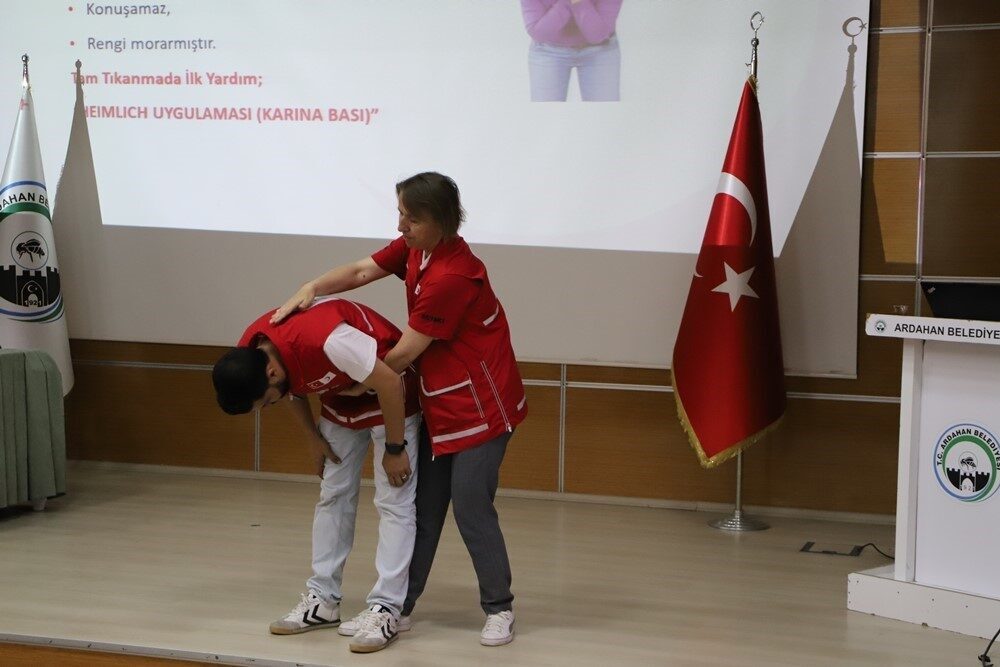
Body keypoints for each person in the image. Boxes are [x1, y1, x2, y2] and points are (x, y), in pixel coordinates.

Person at [270, 172, 527, 646]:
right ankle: (397, 607)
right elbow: (361, 272)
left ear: (441, 221)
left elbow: (405, 353)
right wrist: (313, 287)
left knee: (470, 505)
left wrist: (361, 384)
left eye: (412, 218)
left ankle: (499, 607)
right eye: (400, 214)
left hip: (482, 406)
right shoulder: (418, 249)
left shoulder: (453, 276)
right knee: (423, 507)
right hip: (441, 403)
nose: (401, 226)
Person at [212, 297, 421, 654]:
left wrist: (395, 448)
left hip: (390, 394)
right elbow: (291, 389)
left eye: (267, 402)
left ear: (271, 374)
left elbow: (388, 382)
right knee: (333, 494)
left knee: (393, 501)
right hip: (341, 398)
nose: (270, 405)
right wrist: (312, 437)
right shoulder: (253, 351)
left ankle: (386, 607)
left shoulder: (330, 340)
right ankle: (323, 599)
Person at [521, 0, 624, 102]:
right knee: (545, 110)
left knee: (604, 110)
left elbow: (598, 35)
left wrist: (578, 2)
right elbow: (539, 33)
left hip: (600, 50)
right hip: (548, 50)